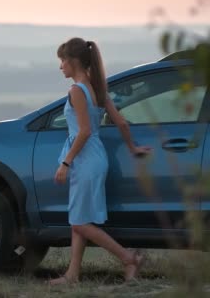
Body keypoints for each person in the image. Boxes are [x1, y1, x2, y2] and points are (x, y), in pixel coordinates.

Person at [48, 37, 151, 285]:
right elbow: (122, 122)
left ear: (73, 62)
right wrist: (132, 147)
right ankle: (72, 274)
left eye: (62, 61)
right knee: (79, 219)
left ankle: (129, 258)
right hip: (95, 157)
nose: (60, 66)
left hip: (85, 160)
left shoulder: (77, 91)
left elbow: (83, 131)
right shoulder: (97, 88)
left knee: (80, 222)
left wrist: (66, 163)